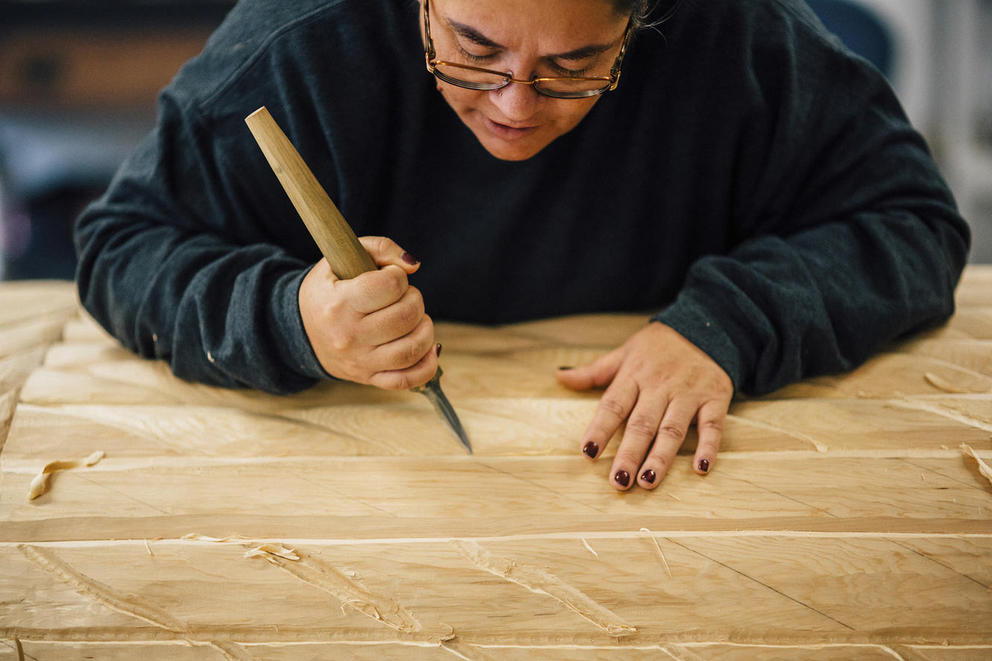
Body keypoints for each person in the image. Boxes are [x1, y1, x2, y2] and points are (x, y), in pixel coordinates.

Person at [74, 0, 970, 493]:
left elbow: (913, 221)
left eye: (575, 65)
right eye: (473, 49)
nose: (513, 105)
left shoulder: (742, 38)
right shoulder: (296, 45)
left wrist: (730, 324)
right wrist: (287, 316)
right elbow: (121, 245)